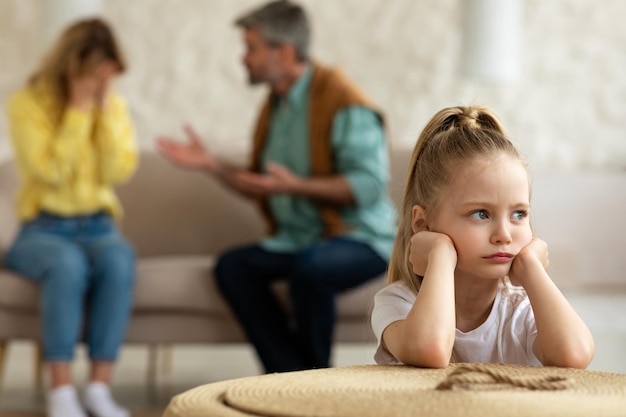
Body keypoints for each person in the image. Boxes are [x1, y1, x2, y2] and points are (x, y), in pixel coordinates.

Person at [156, 0, 396, 373]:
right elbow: (263, 186)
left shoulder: (344, 102)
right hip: (301, 240)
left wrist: (297, 186)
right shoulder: (276, 107)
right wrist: (211, 165)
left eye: (251, 48)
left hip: (361, 239)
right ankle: (289, 378)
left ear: (283, 52)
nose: (243, 58)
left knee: (311, 269)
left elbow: (369, 186)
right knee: (233, 267)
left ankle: (313, 382)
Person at [371, 105, 595, 369]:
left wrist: (531, 268)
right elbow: (429, 349)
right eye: (480, 214)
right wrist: (440, 256)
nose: (504, 235)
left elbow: (575, 355)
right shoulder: (399, 303)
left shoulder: (519, 308)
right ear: (422, 223)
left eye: (519, 214)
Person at [4, 18, 137, 417]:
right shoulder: (26, 104)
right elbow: (50, 171)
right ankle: (60, 392)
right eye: (96, 75)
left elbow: (118, 172)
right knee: (66, 264)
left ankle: (99, 389)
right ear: (72, 65)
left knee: (119, 259)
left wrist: (105, 112)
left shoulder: (111, 106)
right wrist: (78, 111)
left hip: (99, 224)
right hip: (43, 229)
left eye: (108, 76)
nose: (101, 83)